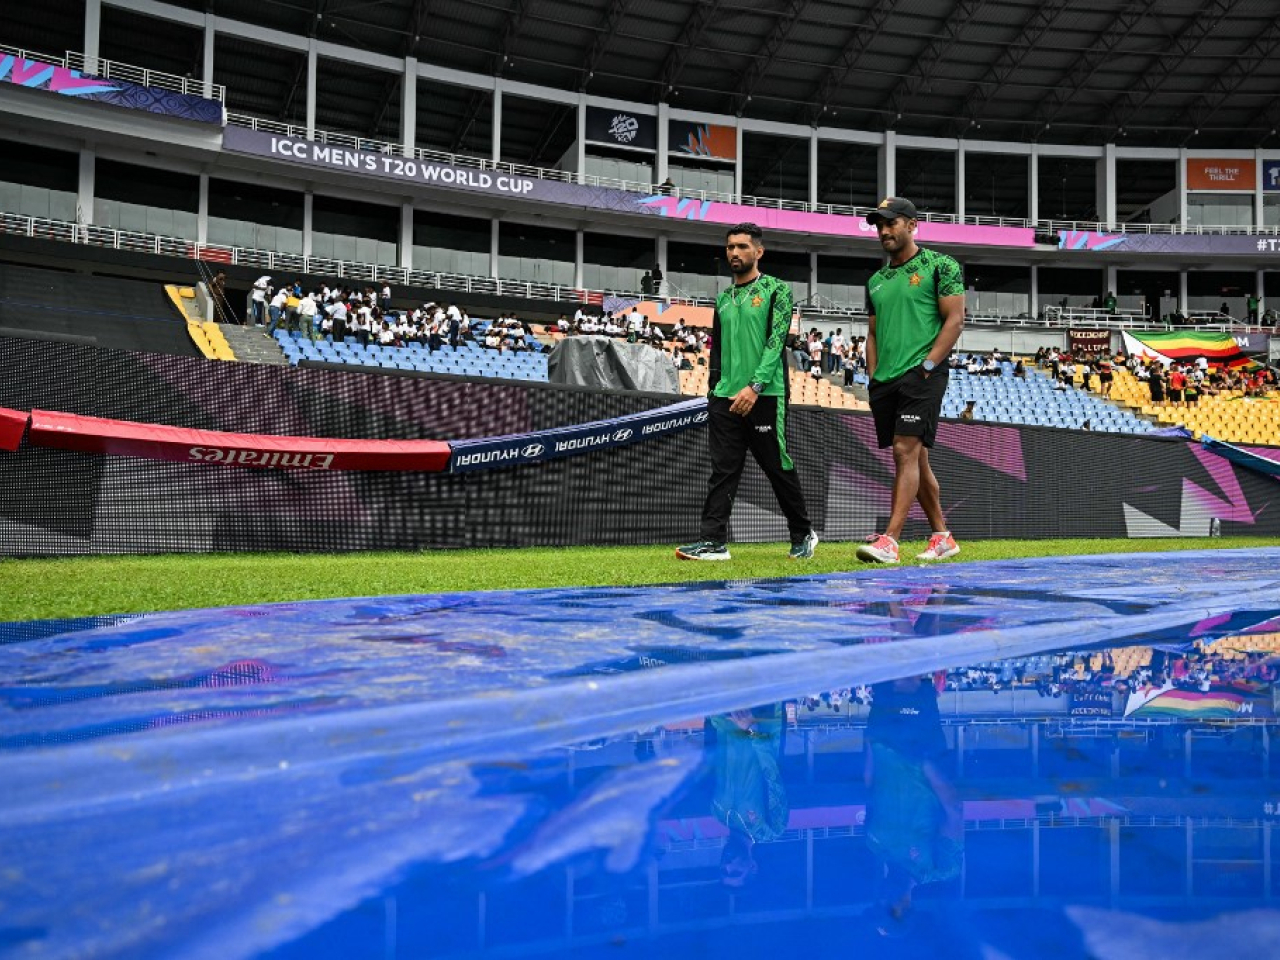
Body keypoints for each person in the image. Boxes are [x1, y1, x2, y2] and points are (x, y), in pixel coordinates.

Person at [676, 223, 818, 562]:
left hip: (765, 395)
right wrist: (714, 390)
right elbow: (718, 349)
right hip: (725, 397)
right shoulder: (723, 298)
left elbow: (776, 342)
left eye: (742, 246)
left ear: (758, 251)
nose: (735, 253)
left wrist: (755, 387)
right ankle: (713, 542)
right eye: (730, 247)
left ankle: (803, 533)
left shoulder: (776, 290)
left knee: (776, 466)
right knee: (723, 469)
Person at [856, 197, 965, 565]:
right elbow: (873, 333)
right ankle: (942, 537)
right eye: (879, 225)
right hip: (885, 379)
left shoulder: (942, 265)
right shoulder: (876, 280)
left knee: (905, 451)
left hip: (922, 373)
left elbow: (955, 321)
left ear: (912, 225)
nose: (884, 231)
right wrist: (873, 375)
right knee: (917, 459)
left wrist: (929, 366)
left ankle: (890, 540)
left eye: (891, 223)